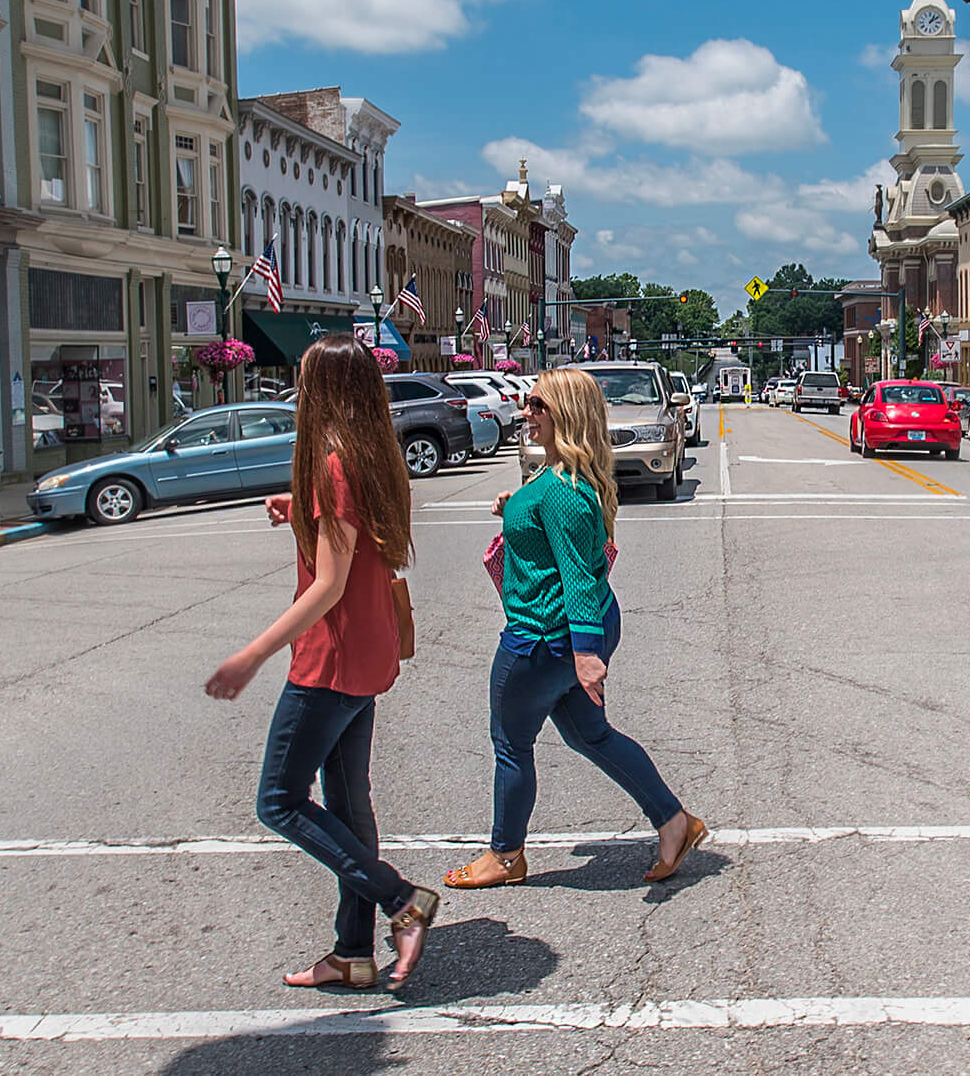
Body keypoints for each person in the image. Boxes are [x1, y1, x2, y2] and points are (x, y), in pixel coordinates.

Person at [205, 333, 439, 990]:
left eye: (304, 378)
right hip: (368, 653)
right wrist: (300, 514)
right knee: (346, 801)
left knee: (279, 801)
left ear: (324, 390)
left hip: (330, 661)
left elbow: (329, 584)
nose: (297, 388)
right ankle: (352, 952)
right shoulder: (372, 455)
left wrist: (253, 653)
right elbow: (352, 539)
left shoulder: (333, 464)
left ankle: (402, 900)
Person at [446, 367, 705, 890]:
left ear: (563, 413)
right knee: (591, 735)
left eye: (537, 404)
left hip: (542, 638)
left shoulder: (563, 491)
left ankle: (505, 854)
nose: (526, 412)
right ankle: (674, 822)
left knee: (511, 743)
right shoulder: (563, 480)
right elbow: (556, 536)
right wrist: (513, 508)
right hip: (565, 637)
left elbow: (579, 575)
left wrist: (587, 655)